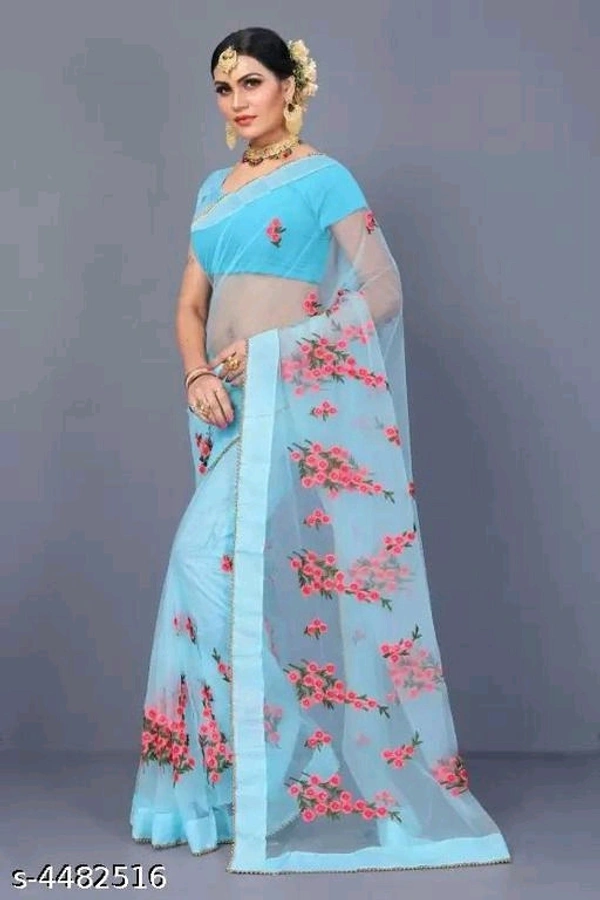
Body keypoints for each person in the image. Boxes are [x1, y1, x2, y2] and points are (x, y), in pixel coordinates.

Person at [129, 26, 512, 875]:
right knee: (211, 574)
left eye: (252, 82)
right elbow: (190, 305)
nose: (237, 101)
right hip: (226, 410)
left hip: (291, 403)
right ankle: (243, 780)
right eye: (224, 87)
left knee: (200, 560)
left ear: (290, 88)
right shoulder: (213, 188)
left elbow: (383, 290)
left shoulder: (323, 177)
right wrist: (196, 372)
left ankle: (296, 747)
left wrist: (281, 348)